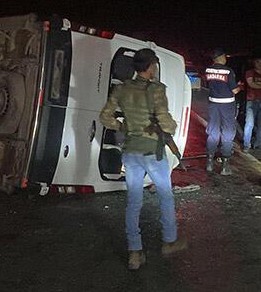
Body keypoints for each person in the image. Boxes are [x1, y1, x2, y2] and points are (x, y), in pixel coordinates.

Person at [99, 48, 187, 270]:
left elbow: (105, 117)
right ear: (150, 67)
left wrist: (123, 126)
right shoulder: (157, 90)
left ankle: (135, 253)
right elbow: (167, 124)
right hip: (152, 153)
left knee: (134, 202)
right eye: (154, 65)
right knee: (166, 197)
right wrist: (171, 126)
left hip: (130, 153)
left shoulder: (121, 89)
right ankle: (169, 241)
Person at [204, 47, 241, 175]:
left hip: (213, 104)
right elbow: (235, 90)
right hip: (227, 106)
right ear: (221, 57)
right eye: (225, 56)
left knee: (213, 132)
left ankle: (209, 162)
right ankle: (225, 166)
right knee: (227, 133)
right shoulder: (228, 71)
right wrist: (239, 86)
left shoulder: (208, 70)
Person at [242, 56, 261, 151]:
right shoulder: (249, 73)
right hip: (252, 102)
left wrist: (257, 85)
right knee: (250, 124)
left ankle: (257, 144)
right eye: (258, 62)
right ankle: (246, 145)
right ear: (254, 63)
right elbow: (251, 84)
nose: (260, 64)